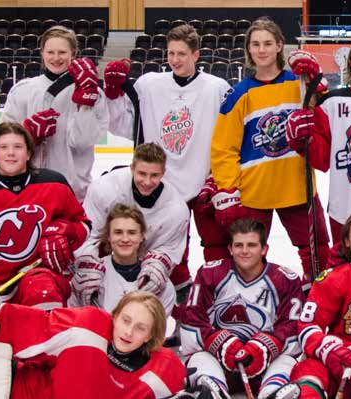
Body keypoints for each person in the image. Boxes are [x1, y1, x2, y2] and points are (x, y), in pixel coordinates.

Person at [104, 24, 233, 300]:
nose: (175, 59)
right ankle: (177, 302)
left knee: (216, 245)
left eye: (182, 54)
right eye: (171, 53)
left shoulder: (216, 88)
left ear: (196, 55)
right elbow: (126, 125)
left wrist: (222, 174)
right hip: (162, 185)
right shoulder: (150, 85)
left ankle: (219, 297)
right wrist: (113, 94)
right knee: (172, 252)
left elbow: (230, 134)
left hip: (205, 183)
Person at [0, 286, 186, 399]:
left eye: (140, 328)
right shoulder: (88, 326)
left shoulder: (162, 371)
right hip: (11, 392)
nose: (128, 332)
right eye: (125, 320)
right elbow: (28, 326)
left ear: (151, 336)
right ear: (115, 315)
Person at [210, 17, 330, 280]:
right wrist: (230, 187)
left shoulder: (298, 84)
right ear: (249, 49)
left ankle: (318, 298)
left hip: (296, 185)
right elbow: (223, 148)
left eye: (267, 43)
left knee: (316, 251)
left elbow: (323, 117)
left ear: (279, 45)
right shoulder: (239, 93)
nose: (261, 49)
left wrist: (316, 81)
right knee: (248, 254)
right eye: (255, 44)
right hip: (255, 191)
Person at [0, 122, 90, 310]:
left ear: (29, 153)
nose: (11, 153)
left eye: (18, 147)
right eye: (4, 147)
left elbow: (84, 224)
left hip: (42, 278)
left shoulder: (55, 185)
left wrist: (67, 231)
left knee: (41, 292)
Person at [178, 219, 304, 399]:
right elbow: (192, 319)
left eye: (252, 245)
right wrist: (219, 342)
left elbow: (293, 326)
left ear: (264, 249)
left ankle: (271, 393)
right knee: (200, 358)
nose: (244, 251)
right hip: (220, 362)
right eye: (239, 245)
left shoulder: (285, 279)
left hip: (264, 365)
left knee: (288, 361)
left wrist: (267, 345)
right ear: (230, 248)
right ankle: (214, 392)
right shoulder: (210, 273)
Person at [285, 37, 351, 267]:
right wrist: (301, 138)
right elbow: (321, 159)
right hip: (345, 207)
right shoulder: (333, 102)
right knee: (346, 273)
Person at [0, 25, 109, 201]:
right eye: (50, 52)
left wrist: (86, 104)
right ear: (42, 53)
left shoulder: (94, 92)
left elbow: (83, 142)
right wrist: (27, 133)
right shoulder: (23, 90)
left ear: (73, 53)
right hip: (28, 188)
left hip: (74, 190)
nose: (56, 58)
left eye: (62, 52)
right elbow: (3, 139)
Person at [73, 142, 189, 303]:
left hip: (144, 255)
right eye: (142, 173)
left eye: (154, 175)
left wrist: (157, 266)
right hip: (106, 251)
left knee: (165, 287)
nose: (147, 182)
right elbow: (87, 235)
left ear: (163, 173)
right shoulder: (104, 189)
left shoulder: (176, 209)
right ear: (132, 168)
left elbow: (168, 248)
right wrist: (87, 265)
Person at [269, 211, 351, 399]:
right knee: (309, 367)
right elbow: (308, 325)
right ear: (347, 241)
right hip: (343, 360)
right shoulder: (333, 278)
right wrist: (331, 351)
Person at [70, 203, 176, 316]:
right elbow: (73, 320)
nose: (125, 239)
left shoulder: (157, 280)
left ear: (141, 236)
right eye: (118, 232)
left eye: (132, 233)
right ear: (109, 237)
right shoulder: (89, 277)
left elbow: (157, 331)